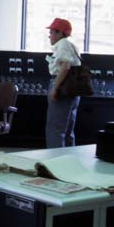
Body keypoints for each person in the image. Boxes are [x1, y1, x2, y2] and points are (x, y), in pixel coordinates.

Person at [45, 17, 82, 148]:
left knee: (55, 129)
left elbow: (65, 66)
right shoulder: (71, 45)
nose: (49, 36)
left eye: (52, 32)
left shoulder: (63, 44)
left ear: (60, 33)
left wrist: (55, 87)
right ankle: (69, 161)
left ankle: (55, 162)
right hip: (72, 89)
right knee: (67, 130)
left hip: (63, 87)